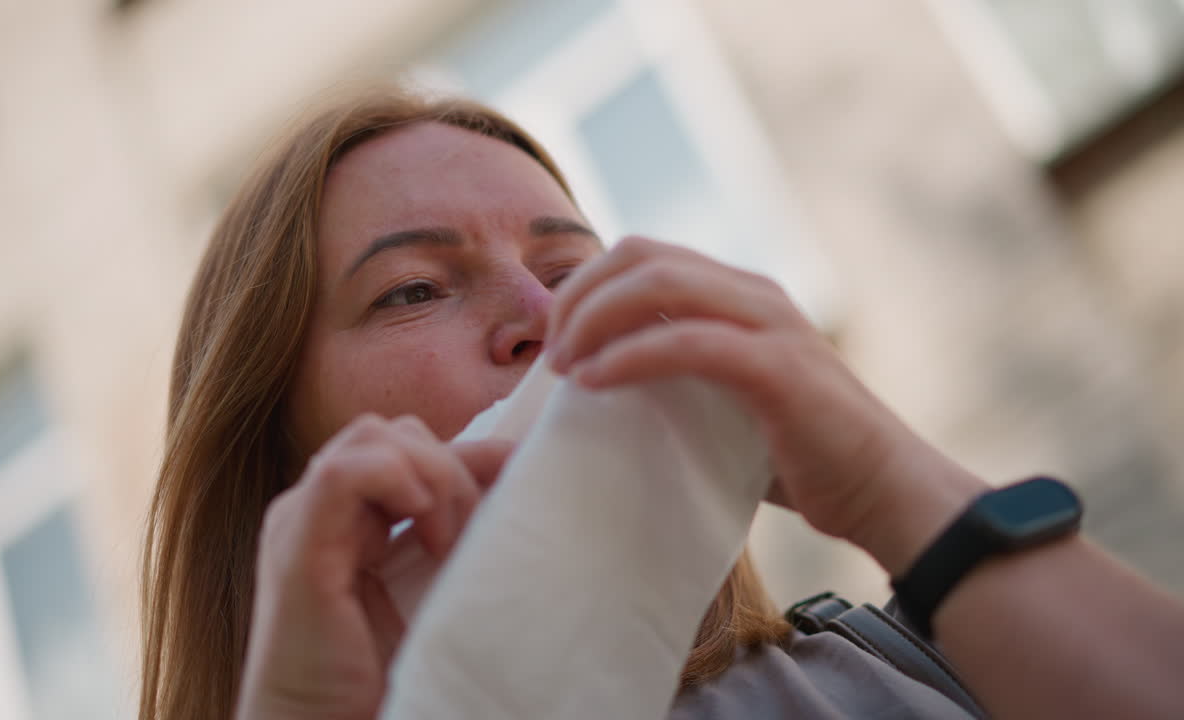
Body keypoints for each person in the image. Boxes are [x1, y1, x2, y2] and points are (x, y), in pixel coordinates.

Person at [138, 84, 1184, 720]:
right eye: (412, 290)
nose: (541, 316)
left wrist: (892, 485)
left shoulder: (921, 663)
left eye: (573, 269)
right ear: (278, 460)